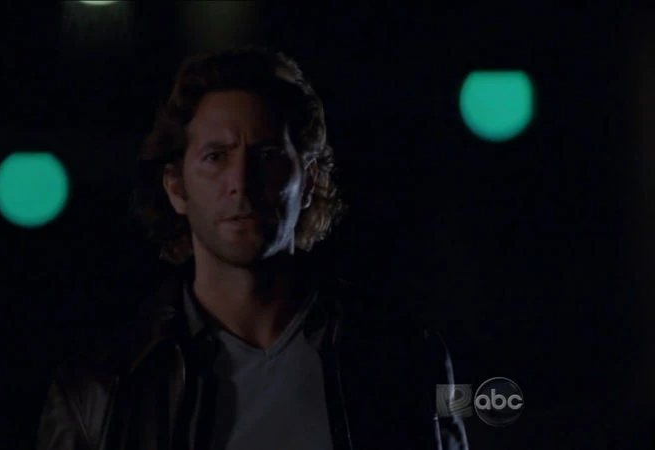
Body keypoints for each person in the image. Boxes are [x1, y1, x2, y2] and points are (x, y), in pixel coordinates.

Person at [36, 46, 469, 450]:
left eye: (267, 155)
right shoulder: (99, 387)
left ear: (309, 180)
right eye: (216, 157)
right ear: (176, 187)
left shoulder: (411, 354)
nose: (240, 183)